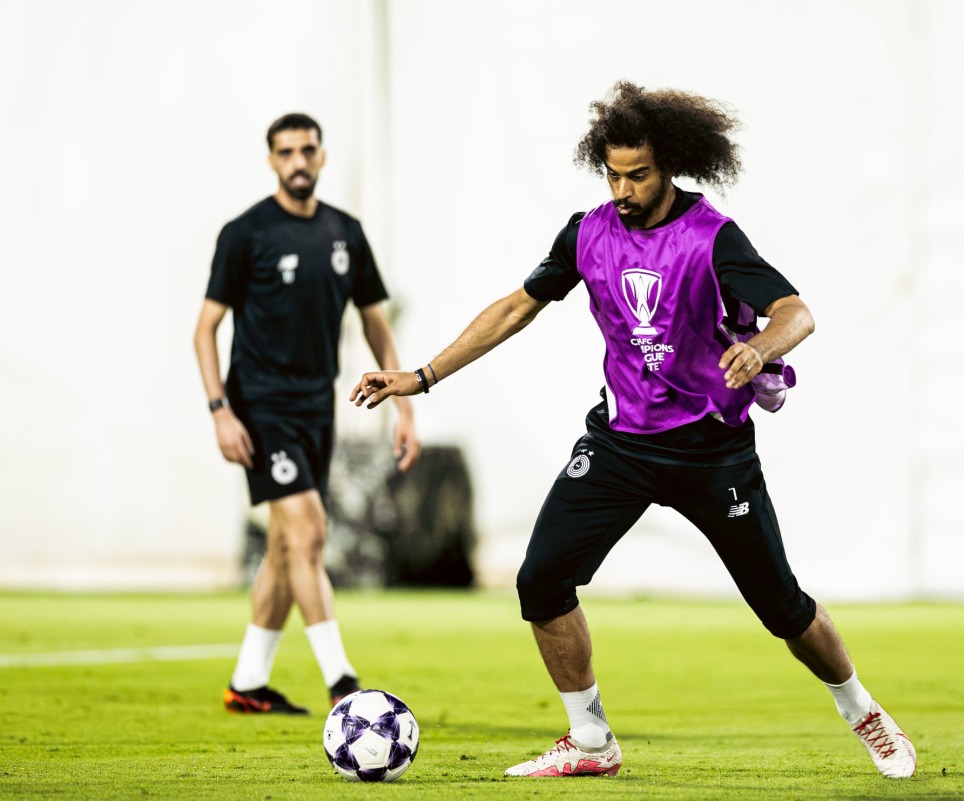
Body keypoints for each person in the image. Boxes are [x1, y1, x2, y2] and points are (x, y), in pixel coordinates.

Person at [349, 81, 916, 778]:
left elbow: (797, 312)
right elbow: (514, 308)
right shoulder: (587, 232)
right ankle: (590, 741)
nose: (622, 188)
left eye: (638, 174)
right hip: (621, 444)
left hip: (713, 451)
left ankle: (862, 709)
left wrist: (761, 346)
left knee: (783, 608)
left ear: (671, 164)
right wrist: (422, 374)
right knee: (541, 580)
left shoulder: (712, 237)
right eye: (613, 173)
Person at [194, 113, 420, 715]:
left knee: (286, 547)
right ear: (271, 160)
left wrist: (403, 408)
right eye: (286, 152)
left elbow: (375, 319)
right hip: (260, 408)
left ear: (321, 157)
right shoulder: (245, 233)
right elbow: (205, 329)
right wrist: (220, 411)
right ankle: (343, 682)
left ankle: (247, 684)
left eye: (308, 150)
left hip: (318, 408)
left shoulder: (345, 233)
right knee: (311, 532)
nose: (298, 161)